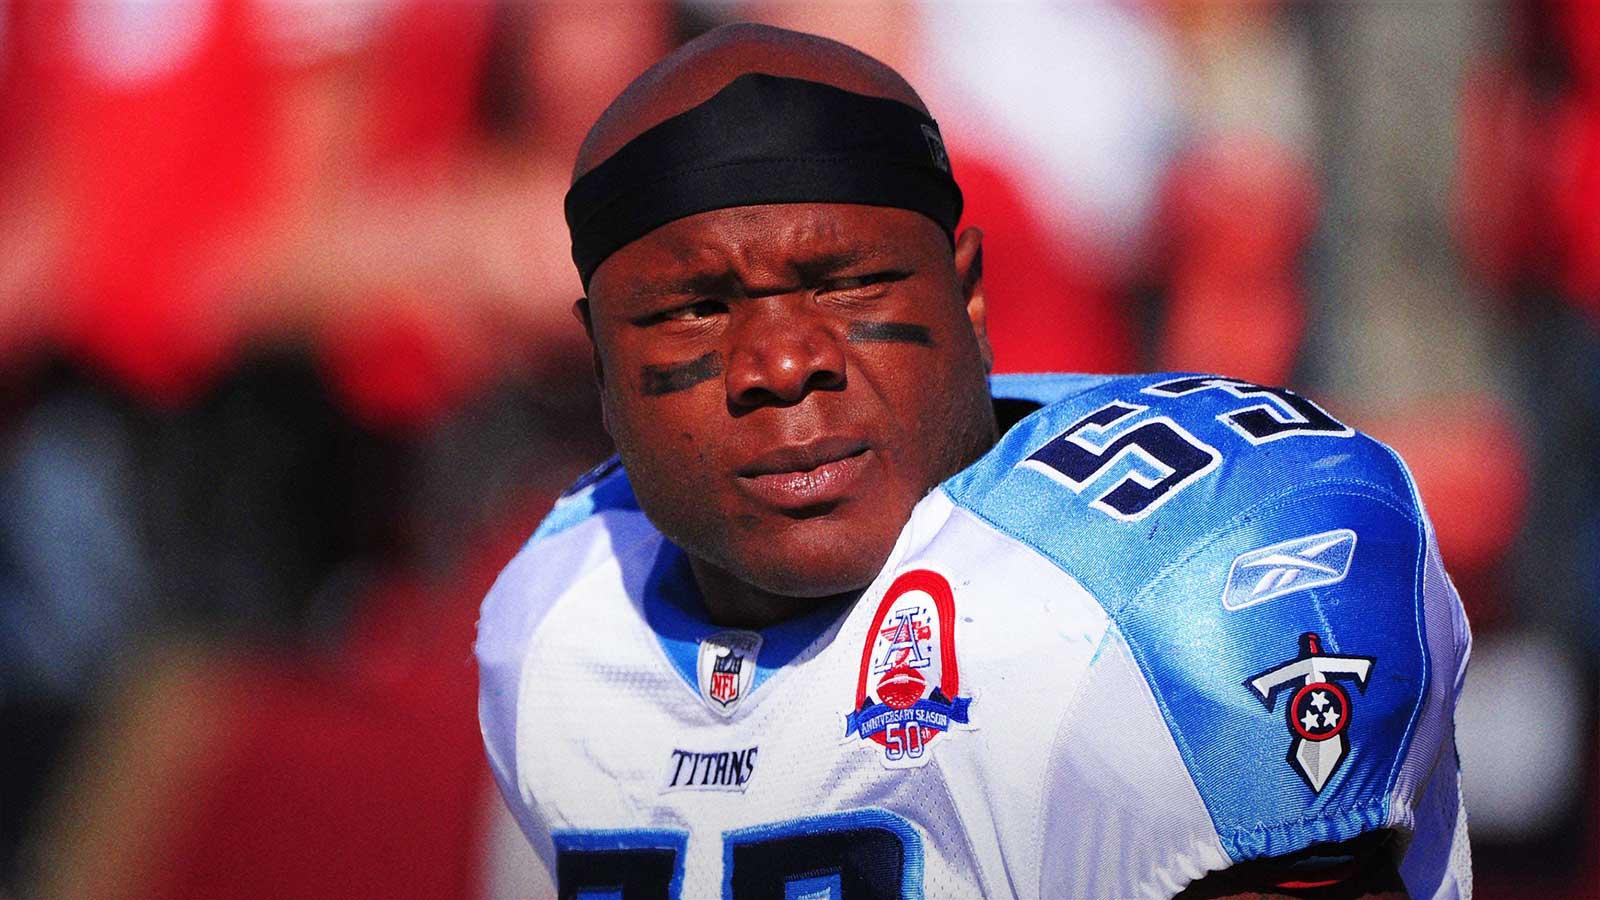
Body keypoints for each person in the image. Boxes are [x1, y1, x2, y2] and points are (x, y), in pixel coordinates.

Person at [476, 23, 1470, 899]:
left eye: (847, 285)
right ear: (600, 362)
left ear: (969, 300)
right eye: (693, 309)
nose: (780, 364)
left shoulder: (1166, 584)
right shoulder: (561, 622)